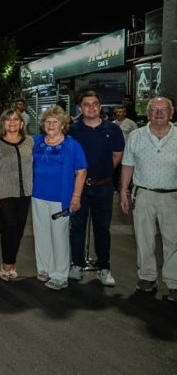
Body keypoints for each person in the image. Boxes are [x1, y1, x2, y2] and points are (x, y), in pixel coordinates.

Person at [120, 97, 177, 302]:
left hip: (172, 196)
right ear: (148, 113)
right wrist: (124, 191)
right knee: (144, 238)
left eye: (164, 109)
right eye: (155, 109)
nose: (159, 113)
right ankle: (147, 277)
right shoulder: (136, 136)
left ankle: (174, 282)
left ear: (171, 113)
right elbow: (128, 164)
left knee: (174, 240)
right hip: (143, 193)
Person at [67, 90, 124, 287]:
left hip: (103, 187)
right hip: (79, 188)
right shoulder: (72, 130)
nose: (91, 107)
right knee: (77, 227)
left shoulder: (113, 129)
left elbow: (117, 156)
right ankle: (77, 264)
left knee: (102, 228)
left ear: (100, 107)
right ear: (80, 108)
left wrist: (102, 172)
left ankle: (104, 267)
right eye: (86, 104)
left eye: (94, 104)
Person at [31, 105, 87, 290]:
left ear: (63, 125)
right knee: (41, 234)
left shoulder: (72, 144)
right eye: (48, 121)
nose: (51, 125)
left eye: (55, 122)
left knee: (59, 236)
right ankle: (44, 268)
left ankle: (60, 275)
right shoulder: (36, 141)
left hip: (61, 198)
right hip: (37, 196)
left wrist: (76, 197)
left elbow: (81, 172)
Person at [0, 108, 33, 281]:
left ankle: (11, 262)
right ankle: (7, 264)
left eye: (15, 119)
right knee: (9, 228)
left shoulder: (30, 141)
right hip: (3, 193)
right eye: (8, 119)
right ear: (3, 123)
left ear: (22, 123)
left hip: (25, 193)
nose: (12, 122)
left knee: (19, 229)